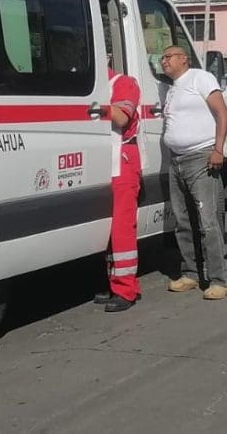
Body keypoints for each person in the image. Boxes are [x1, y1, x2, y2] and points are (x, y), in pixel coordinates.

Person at [160, 46, 227, 300]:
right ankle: (190, 273)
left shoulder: (200, 78)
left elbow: (222, 113)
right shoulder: (172, 89)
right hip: (177, 161)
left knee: (208, 222)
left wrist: (218, 149)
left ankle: (219, 280)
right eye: (162, 58)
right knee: (182, 220)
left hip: (201, 158)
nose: (164, 61)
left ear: (184, 59)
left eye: (169, 56)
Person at [93, 61, 143, 312]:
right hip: (104, 160)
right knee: (106, 228)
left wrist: (92, 107)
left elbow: (122, 117)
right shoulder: (97, 87)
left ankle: (126, 290)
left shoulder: (123, 83)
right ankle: (113, 283)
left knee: (122, 227)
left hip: (123, 160)